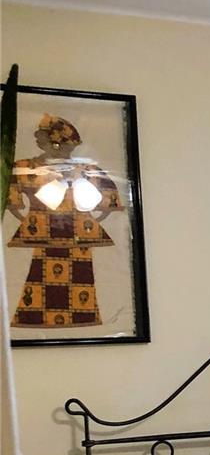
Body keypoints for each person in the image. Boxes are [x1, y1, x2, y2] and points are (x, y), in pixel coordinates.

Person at [5, 114, 123, 328]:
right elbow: (11, 200)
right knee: (38, 278)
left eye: (41, 136)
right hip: (42, 235)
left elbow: (109, 201)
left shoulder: (86, 170)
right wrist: (32, 221)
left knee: (81, 278)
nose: (37, 140)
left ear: (55, 141)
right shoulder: (25, 167)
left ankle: (83, 318)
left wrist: (86, 220)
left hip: (79, 237)